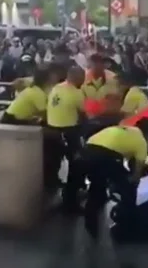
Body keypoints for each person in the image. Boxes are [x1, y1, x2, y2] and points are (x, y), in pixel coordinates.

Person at [80, 117, 148, 241]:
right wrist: (133, 181)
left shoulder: (124, 129)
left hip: (87, 150)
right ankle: (127, 227)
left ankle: (91, 226)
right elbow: (137, 170)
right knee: (129, 190)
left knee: (97, 189)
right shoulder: (141, 141)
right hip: (106, 155)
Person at [45, 65, 87, 213]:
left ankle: (50, 197)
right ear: (76, 77)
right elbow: (84, 113)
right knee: (76, 166)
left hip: (51, 131)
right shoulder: (76, 93)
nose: (83, 80)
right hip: (68, 132)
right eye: (82, 78)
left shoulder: (56, 88)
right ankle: (70, 202)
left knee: (52, 165)